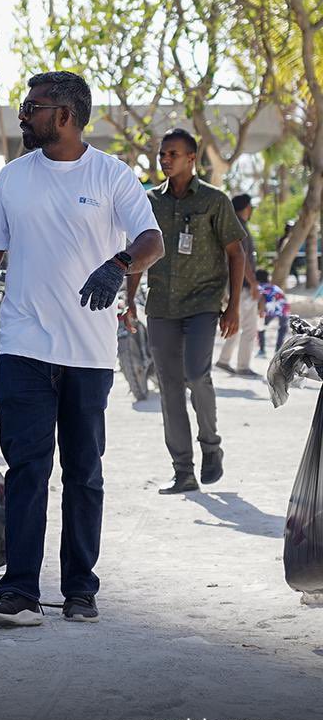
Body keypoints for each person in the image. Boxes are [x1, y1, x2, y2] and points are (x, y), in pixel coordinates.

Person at [0, 72, 163, 626]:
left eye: (32, 108)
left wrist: (120, 263)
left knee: (84, 472)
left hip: (89, 354)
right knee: (27, 470)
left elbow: (150, 239)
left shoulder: (112, 175)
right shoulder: (13, 178)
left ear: (64, 115)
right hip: (24, 349)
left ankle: (80, 589)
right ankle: (20, 593)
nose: (23, 116)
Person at [123, 130, 246, 495]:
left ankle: (211, 445)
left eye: (173, 154)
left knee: (196, 373)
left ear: (191, 158)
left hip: (203, 304)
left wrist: (233, 306)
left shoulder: (214, 200)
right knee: (170, 389)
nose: (165, 159)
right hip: (161, 307)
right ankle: (183, 470)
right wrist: (130, 301)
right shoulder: (150, 202)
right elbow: (137, 255)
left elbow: (236, 253)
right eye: (162, 154)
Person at [215, 193, 262, 377]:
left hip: (234, 285)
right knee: (248, 327)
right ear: (247, 207)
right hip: (241, 286)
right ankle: (242, 365)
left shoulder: (232, 226)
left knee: (237, 323)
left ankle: (224, 360)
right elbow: (243, 260)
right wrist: (254, 283)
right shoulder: (240, 228)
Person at [257, 269, 290, 357]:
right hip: (284, 307)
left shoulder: (259, 286)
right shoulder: (274, 286)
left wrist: (261, 312)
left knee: (261, 328)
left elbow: (262, 298)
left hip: (270, 308)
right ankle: (278, 351)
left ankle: (262, 351)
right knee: (282, 329)